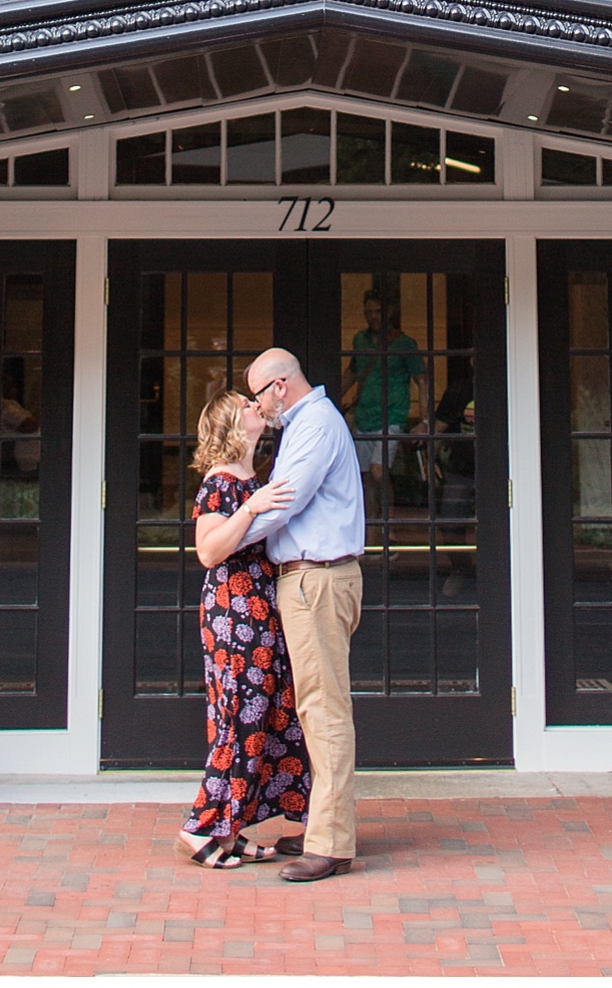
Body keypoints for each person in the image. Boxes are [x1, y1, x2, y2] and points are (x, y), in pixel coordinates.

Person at [241, 345, 366, 882]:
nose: (257, 407)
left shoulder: (313, 424)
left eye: (256, 396)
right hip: (313, 578)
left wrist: (223, 539)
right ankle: (323, 826)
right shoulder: (308, 423)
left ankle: (331, 843)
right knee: (315, 705)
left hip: (316, 578)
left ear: (278, 387)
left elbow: (284, 499)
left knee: (323, 707)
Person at [178, 390, 309, 872]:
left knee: (263, 715)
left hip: (257, 608)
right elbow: (209, 551)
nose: (258, 408)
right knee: (239, 717)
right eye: (247, 407)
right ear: (233, 427)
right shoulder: (220, 483)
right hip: (234, 612)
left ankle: (230, 830)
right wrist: (251, 509)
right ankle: (199, 828)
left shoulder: (251, 477)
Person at [341, 287, 429, 512]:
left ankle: (390, 526)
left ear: (389, 312)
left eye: (378, 311)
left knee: (379, 471)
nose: (372, 316)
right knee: (364, 478)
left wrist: (424, 421)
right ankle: (371, 532)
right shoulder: (360, 340)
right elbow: (352, 373)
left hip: (391, 416)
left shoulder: (404, 343)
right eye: (368, 311)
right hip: (364, 417)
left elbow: (422, 380)